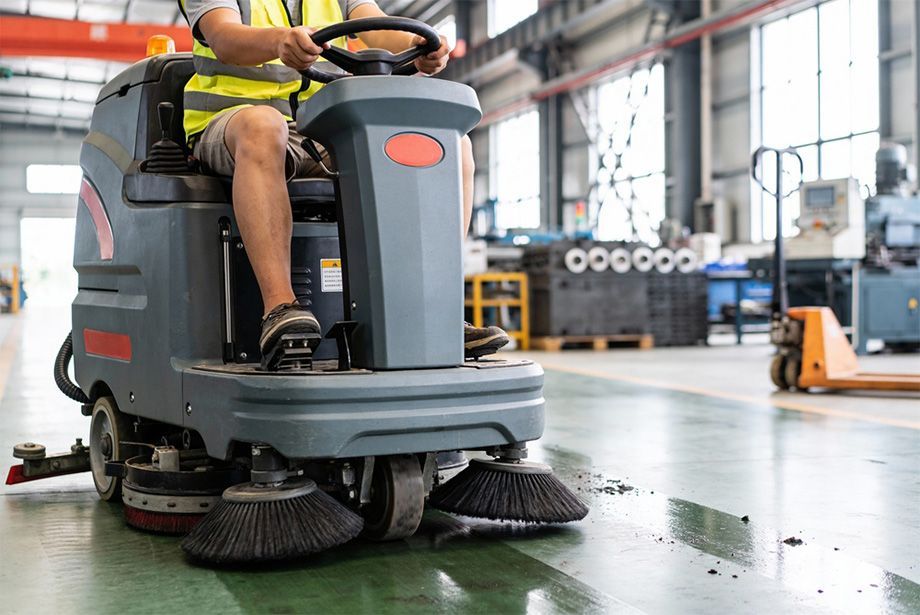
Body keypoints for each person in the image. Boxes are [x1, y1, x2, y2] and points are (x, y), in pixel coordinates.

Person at [181, 0, 510, 361]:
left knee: (448, 142)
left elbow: (377, 27)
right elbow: (226, 38)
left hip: (318, 126)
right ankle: (279, 307)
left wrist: (420, 48)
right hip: (233, 123)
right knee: (264, 126)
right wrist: (280, 42)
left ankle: (437, 311)